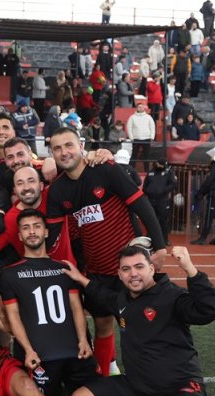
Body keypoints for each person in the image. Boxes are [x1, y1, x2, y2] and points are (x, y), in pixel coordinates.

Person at [67, 245, 215, 396]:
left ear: (151, 269)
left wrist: (190, 269)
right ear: (119, 275)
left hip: (177, 387)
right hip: (136, 387)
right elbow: (101, 294)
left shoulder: (172, 296)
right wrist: (79, 278)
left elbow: (209, 310)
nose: (133, 274)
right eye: (126, 269)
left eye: (139, 267)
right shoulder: (122, 299)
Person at [46, 127, 167, 378]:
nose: (64, 152)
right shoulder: (57, 191)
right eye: (57, 148)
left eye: (68, 145)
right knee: (102, 325)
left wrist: (160, 247)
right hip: (97, 272)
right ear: (52, 153)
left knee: (142, 324)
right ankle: (106, 375)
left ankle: (152, 376)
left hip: (129, 268)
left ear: (81, 146)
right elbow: (59, 237)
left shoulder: (106, 169)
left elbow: (142, 205)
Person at [0, 209, 98, 396]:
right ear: (20, 236)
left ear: (46, 232)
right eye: (26, 228)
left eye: (37, 226)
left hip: (75, 351)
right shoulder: (10, 274)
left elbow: (76, 307)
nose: (32, 232)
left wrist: (83, 340)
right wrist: (28, 350)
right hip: (40, 357)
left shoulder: (65, 268)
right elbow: (14, 316)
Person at [191, 147, 215, 246]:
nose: (211, 157)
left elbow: (209, 181)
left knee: (208, 217)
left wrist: (201, 192)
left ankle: (203, 238)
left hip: (214, 195)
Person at [143, 158, 177, 246]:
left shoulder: (168, 172)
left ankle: (165, 239)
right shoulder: (151, 172)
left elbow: (173, 184)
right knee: (151, 220)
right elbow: (145, 185)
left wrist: (163, 190)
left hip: (162, 200)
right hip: (151, 199)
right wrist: (147, 191)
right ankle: (149, 238)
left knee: (163, 220)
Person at [126, 103, 155, 172]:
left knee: (147, 156)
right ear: (136, 108)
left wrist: (152, 137)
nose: (141, 108)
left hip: (147, 138)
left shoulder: (148, 117)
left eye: (142, 107)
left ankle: (147, 171)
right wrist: (131, 138)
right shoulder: (132, 117)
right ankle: (130, 170)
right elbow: (129, 128)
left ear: (144, 108)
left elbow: (152, 127)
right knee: (134, 155)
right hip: (136, 139)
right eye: (139, 107)